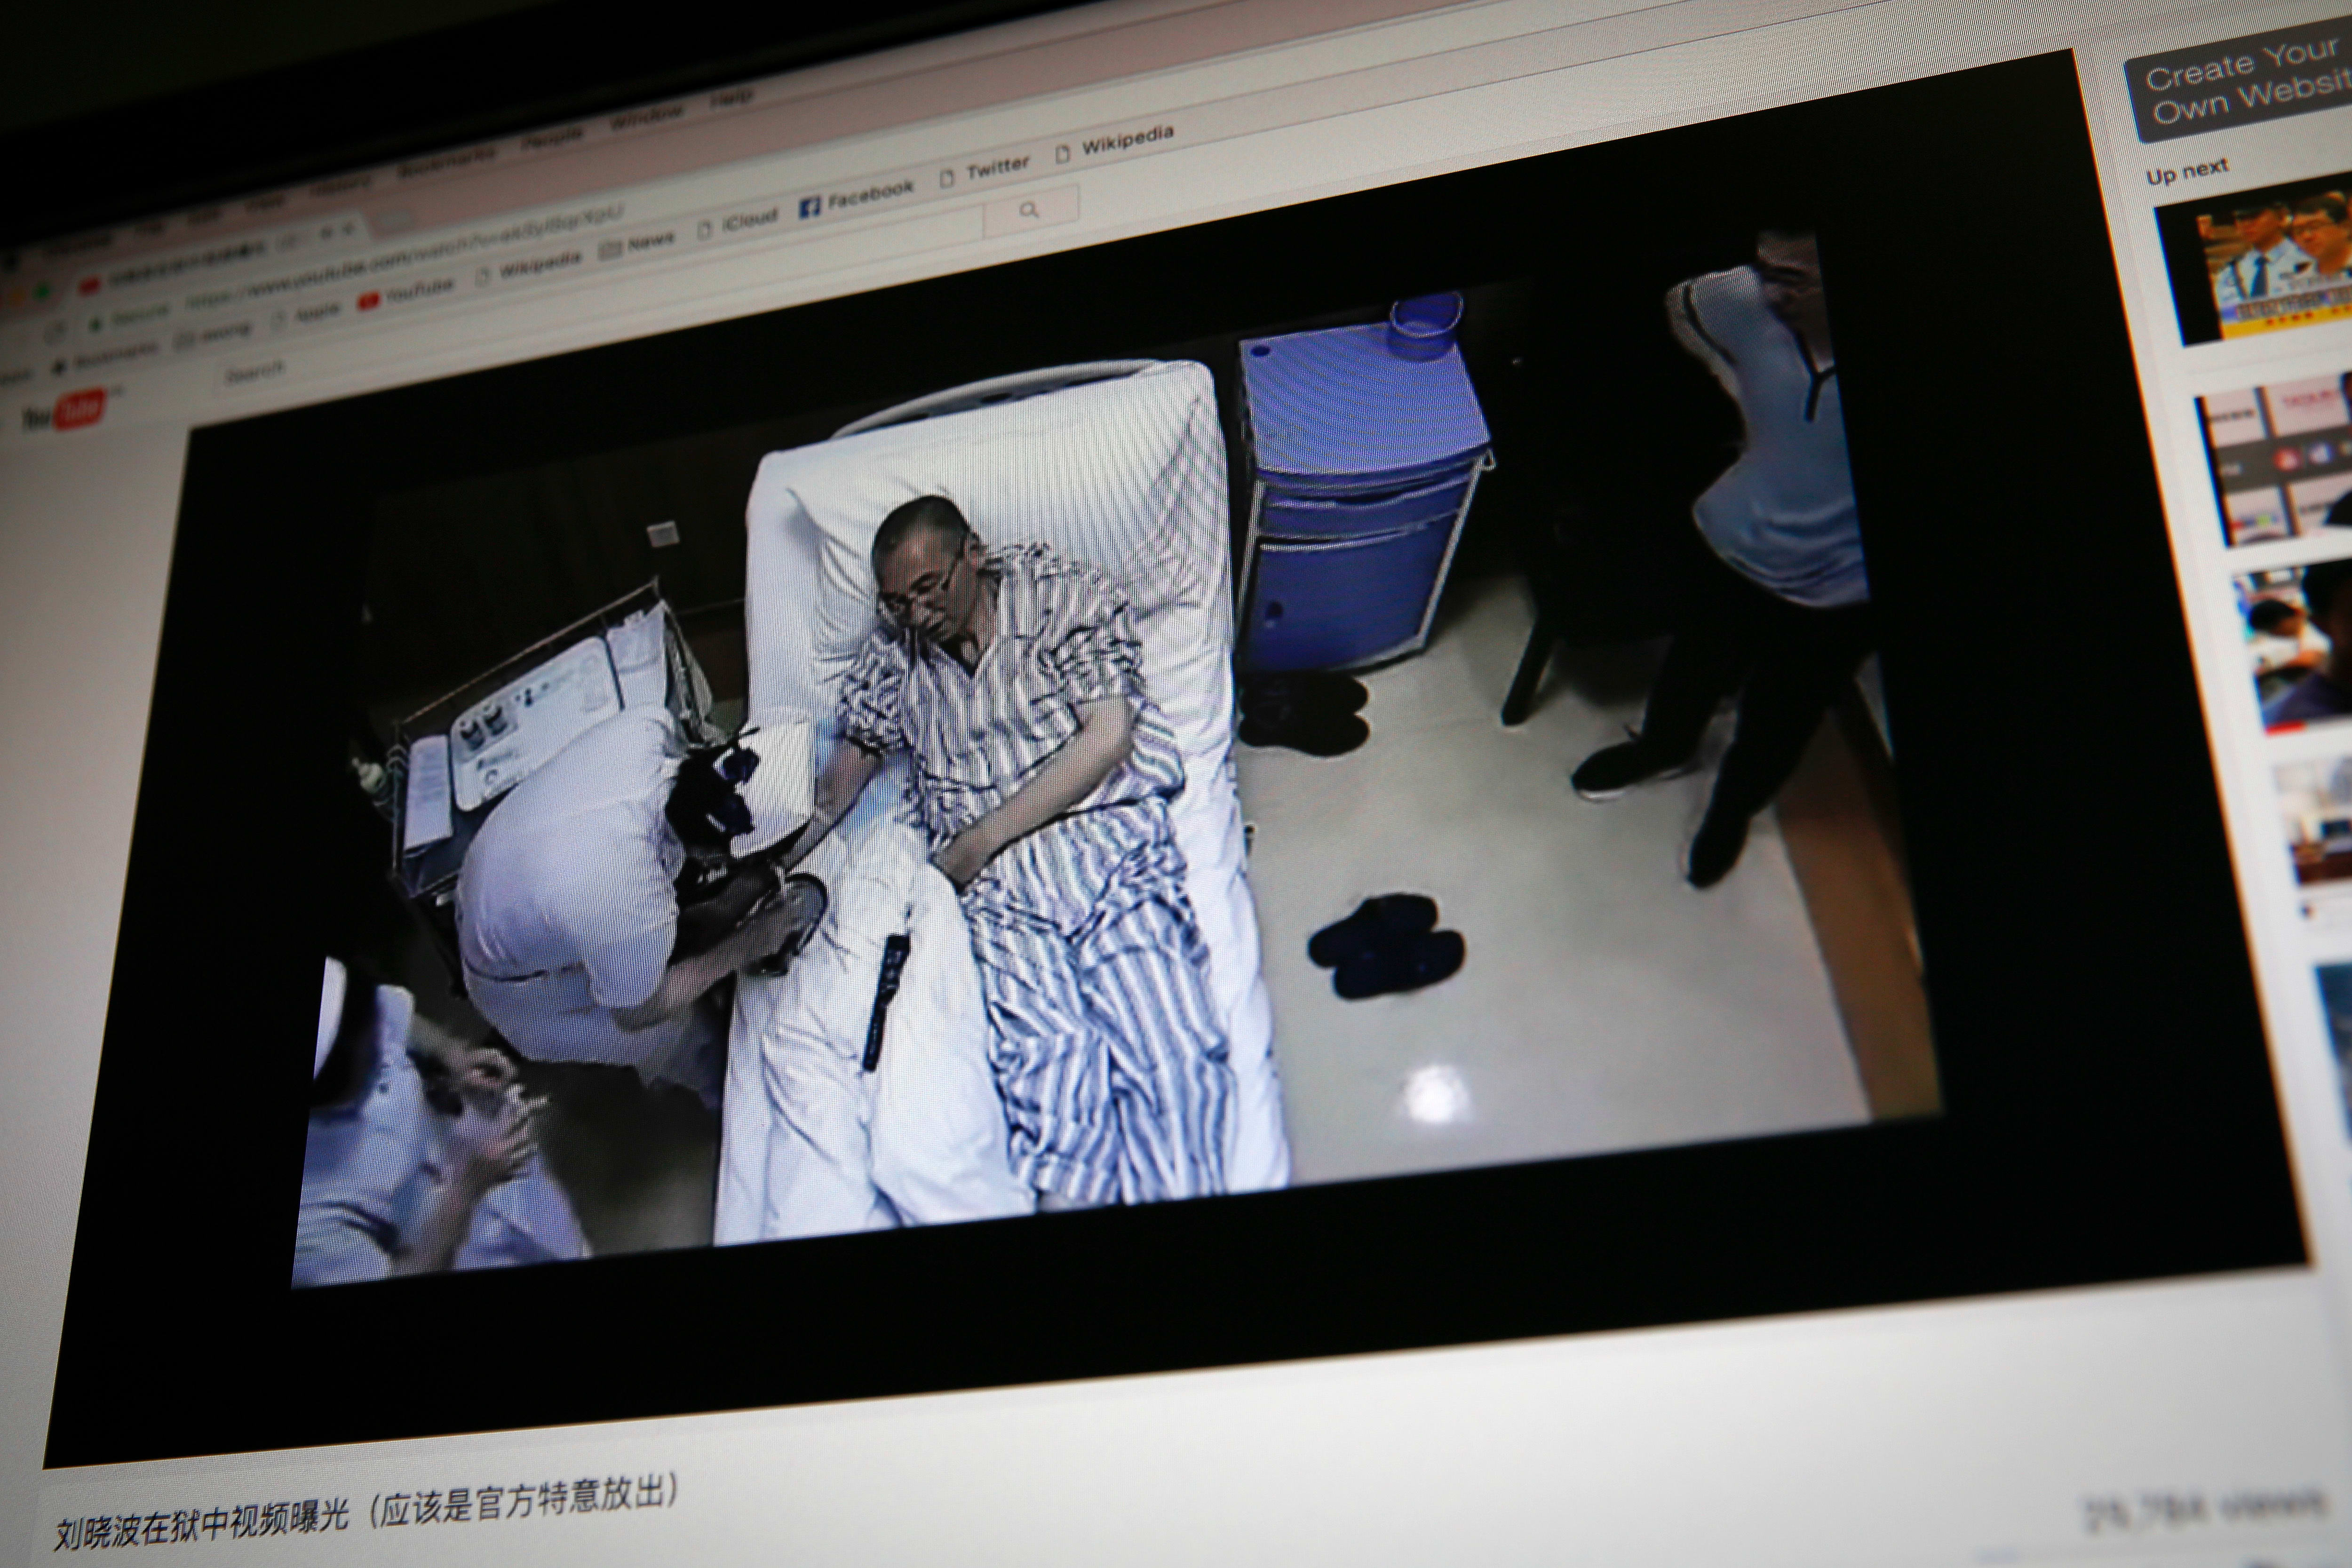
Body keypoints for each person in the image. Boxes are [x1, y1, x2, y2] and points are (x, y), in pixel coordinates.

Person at [786, 497, 1232, 1209]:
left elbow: (1108, 736)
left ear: (974, 554)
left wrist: (977, 842)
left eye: (929, 588)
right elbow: (852, 764)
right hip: (997, 894)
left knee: (1168, 1045)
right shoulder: (895, 650)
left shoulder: (1058, 596)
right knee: (1048, 1065)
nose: (916, 615)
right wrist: (782, 859)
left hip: (1105, 843)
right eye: (897, 603)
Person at [1571, 230, 1872, 886]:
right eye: (1769, 271)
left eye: (1797, 279)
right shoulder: (1742, 300)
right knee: (1694, 663)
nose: (1776, 293)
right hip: (1733, 543)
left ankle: (1730, 812)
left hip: (1841, 595)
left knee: (1780, 720)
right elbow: (1686, 304)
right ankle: (1661, 749)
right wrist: (1734, 382)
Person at [456, 708, 825, 1108]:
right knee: (678, 1030)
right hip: (520, 996)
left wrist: (726, 908)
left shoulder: (647, 726)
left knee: (668, 944)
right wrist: (744, 947)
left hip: (494, 884)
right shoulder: (625, 901)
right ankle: (725, 1094)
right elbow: (637, 1013)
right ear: (714, 858)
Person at [295, 958, 587, 1286]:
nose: (379, 1035)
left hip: (517, 1187)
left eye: (363, 1016)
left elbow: (394, 1018)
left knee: (568, 1242)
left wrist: (452, 1054)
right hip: (468, 1249)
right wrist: (468, 1188)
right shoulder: (308, 1220)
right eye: (362, 1044)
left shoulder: (352, 1007)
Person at [2265, 557, 2352, 726]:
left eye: (2273, 629)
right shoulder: (2311, 718)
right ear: (2322, 624)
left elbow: (2312, 657)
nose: (2275, 634)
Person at [2214, 201, 2311, 305]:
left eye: (2255, 216)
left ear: (2282, 217)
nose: (2247, 224)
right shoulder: (2229, 272)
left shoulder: (2309, 260)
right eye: (2241, 218)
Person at [2289, 193, 2352, 287]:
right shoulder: (2300, 283)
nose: (2306, 237)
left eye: (2314, 227)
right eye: (2299, 231)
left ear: (2346, 227)